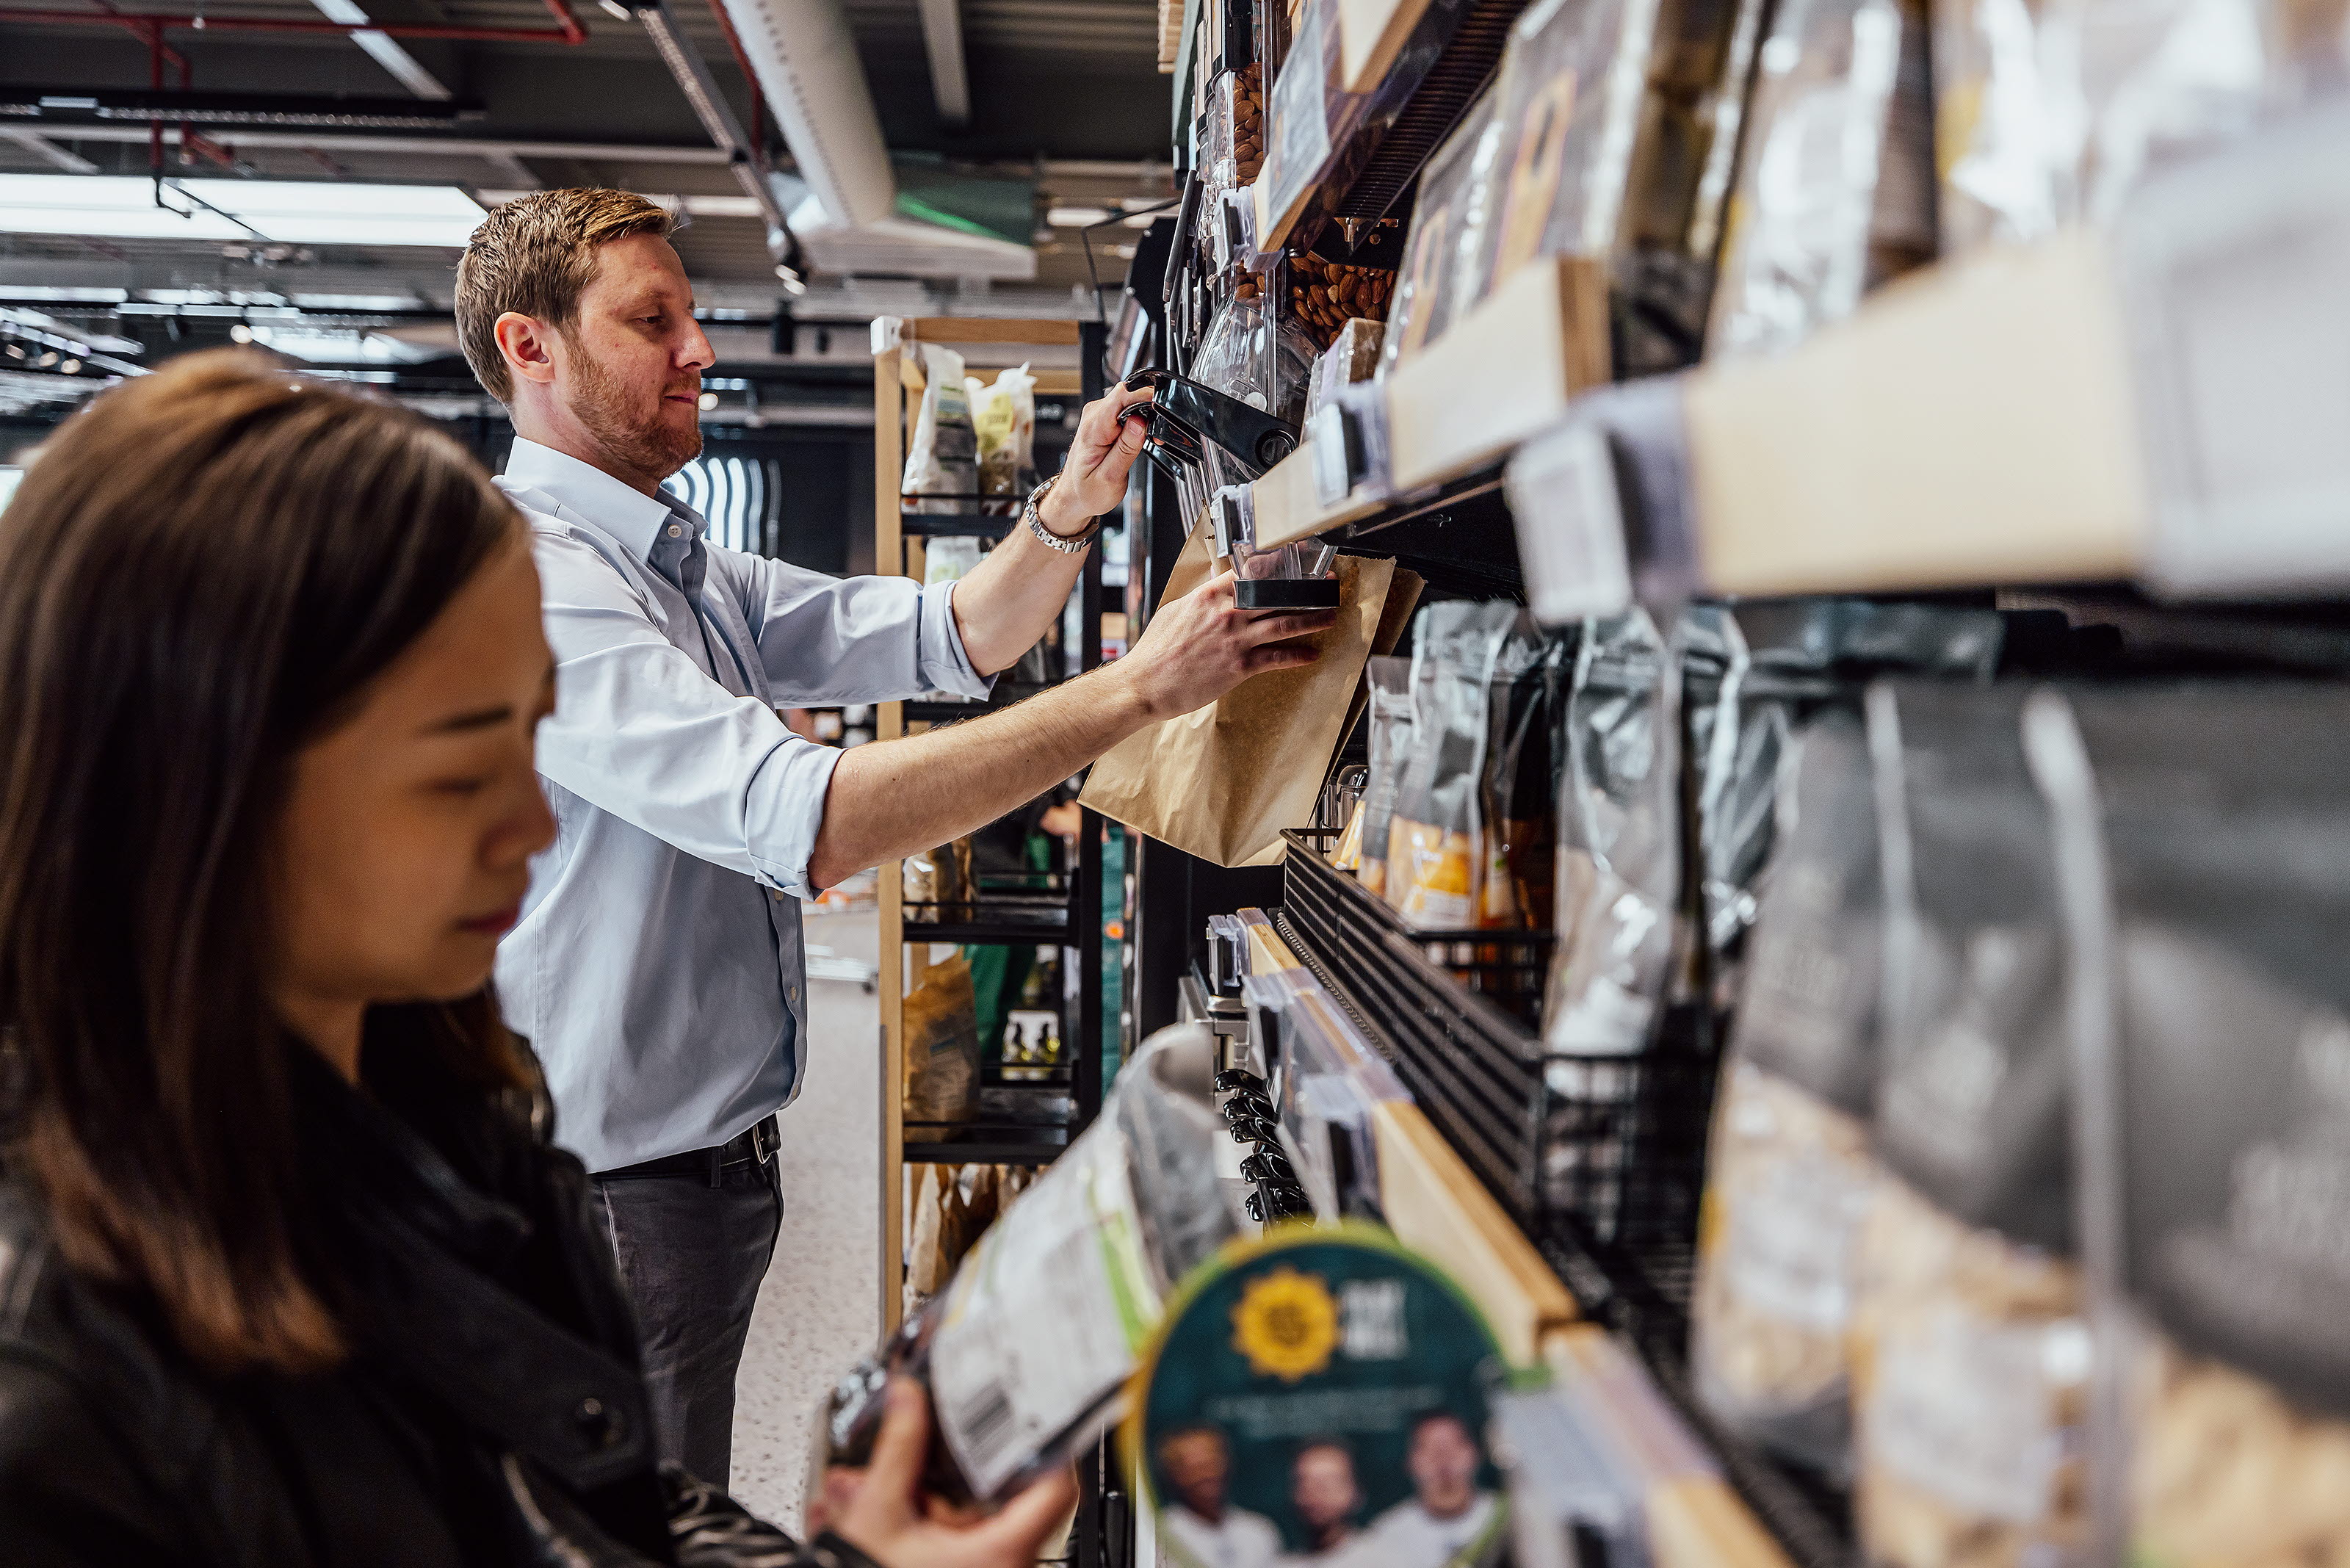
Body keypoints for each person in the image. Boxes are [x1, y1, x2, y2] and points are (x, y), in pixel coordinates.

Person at [0, 351, 1076, 1567]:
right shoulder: (48, 1390)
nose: (526, 826)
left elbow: (593, 1497)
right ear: (198, 790)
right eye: (458, 773)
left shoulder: (449, 1114)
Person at [454, 187, 1334, 1484]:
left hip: (696, 1174)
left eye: (692, 316)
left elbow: (948, 636)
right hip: (614, 1197)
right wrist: (1140, 688)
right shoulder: (539, 578)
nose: (701, 350)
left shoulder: (676, 561)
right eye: (654, 322)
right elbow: (805, 823)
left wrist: (1070, 507)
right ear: (530, 349)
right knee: (632, 1528)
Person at [1362, 1412, 1500, 1567]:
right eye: (1430, 1448)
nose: (1444, 1460)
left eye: (1454, 1445)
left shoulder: (1508, 1517)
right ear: (1410, 1461)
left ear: (1476, 1454)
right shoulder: (1384, 1535)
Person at [1157, 1426, 1283, 1568]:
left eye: (1212, 1463)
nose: (1207, 1474)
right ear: (1173, 1475)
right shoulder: (1160, 1535)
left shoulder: (1259, 1531)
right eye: (1195, 1468)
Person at [1280, 1440, 1372, 1568]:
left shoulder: (1386, 1561)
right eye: (1306, 1483)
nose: (1316, 1494)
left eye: (1328, 1484)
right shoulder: (1282, 1563)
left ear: (1357, 1490)